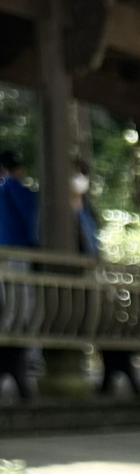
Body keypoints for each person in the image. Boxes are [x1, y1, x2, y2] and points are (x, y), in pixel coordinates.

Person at [74, 163, 140, 400]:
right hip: (74, 276)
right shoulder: (58, 207)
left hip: (94, 273)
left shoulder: (86, 209)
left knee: (109, 320)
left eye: (81, 175)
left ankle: (114, 368)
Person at [0, 149, 39, 401]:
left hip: (6, 253)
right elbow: (31, 222)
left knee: (9, 306)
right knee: (22, 305)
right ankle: (26, 353)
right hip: (17, 253)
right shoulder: (18, 190)